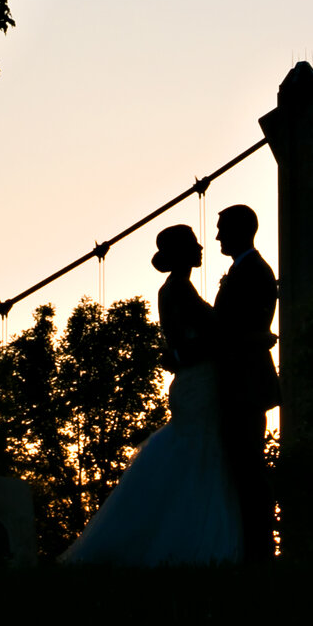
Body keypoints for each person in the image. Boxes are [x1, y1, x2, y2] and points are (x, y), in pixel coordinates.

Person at [59, 225, 242, 566]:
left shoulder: (172, 289)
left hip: (191, 381)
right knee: (199, 457)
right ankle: (197, 545)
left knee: (192, 456)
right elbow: (205, 337)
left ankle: (186, 540)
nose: (202, 248)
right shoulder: (180, 289)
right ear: (182, 253)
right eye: (194, 245)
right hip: (198, 382)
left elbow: (181, 344)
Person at [210, 203, 279, 561]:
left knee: (249, 469)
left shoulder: (254, 272)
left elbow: (240, 330)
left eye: (222, 228)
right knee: (241, 467)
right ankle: (250, 548)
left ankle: (258, 551)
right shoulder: (244, 270)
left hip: (246, 387)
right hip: (240, 386)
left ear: (240, 229)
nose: (217, 235)